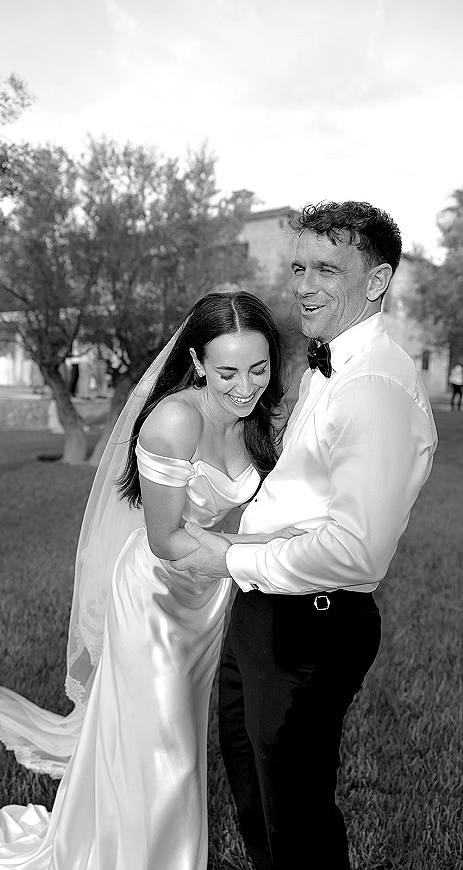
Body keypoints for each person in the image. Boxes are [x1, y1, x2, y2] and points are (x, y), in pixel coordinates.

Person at [0, 291, 298, 870]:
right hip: (155, 598)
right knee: (166, 749)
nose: (245, 386)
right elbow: (167, 541)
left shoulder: (257, 419)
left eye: (258, 367)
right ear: (197, 363)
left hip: (208, 598)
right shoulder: (175, 420)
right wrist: (280, 551)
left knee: (174, 742)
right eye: (227, 372)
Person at [171, 202, 438, 870]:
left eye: (326, 268)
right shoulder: (330, 367)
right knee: (256, 794)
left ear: (375, 281)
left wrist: (229, 555)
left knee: (296, 820)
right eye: (298, 267)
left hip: (310, 626)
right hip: (267, 609)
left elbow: (356, 549)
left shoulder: (373, 384)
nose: (304, 284)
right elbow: (301, 493)